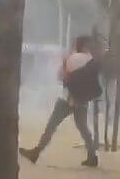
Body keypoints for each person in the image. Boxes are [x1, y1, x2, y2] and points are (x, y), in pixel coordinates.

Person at [19, 35, 102, 168]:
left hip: (67, 99)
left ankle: (36, 152)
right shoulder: (91, 60)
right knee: (84, 129)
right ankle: (92, 156)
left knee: (51, 126)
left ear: (78, 45)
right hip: (82, 100)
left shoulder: (72, 58)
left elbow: (60, 76)